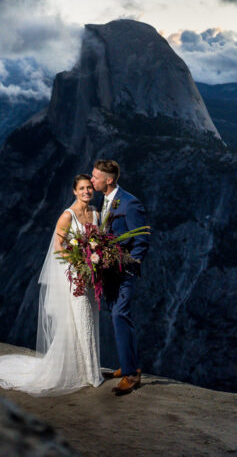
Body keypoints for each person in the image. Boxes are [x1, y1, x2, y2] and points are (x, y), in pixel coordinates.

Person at [0, 174, 104, 396]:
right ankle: (88, 374)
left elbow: (98, 243)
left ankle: (89, 368)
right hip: (75, 276)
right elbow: (58, 248)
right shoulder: (67, 216)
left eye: (89, 188)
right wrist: (78, 264)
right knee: (81, 319)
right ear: (74, 191)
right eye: (82, 188)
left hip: (91, 277)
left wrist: (96, 261)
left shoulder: (96, 214)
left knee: (91, 319)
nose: (87, 192)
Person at [90, 159, 149, 395]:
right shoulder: (104, 201)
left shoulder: (130, 202)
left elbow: (142, 240)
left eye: (95, 176)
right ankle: (128, 365)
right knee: (119, 316)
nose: (92, 180)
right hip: (109, 271)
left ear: (109, 179)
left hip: (124, 270)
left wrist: (128, 265)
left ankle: (131, 375)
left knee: (119, 314)